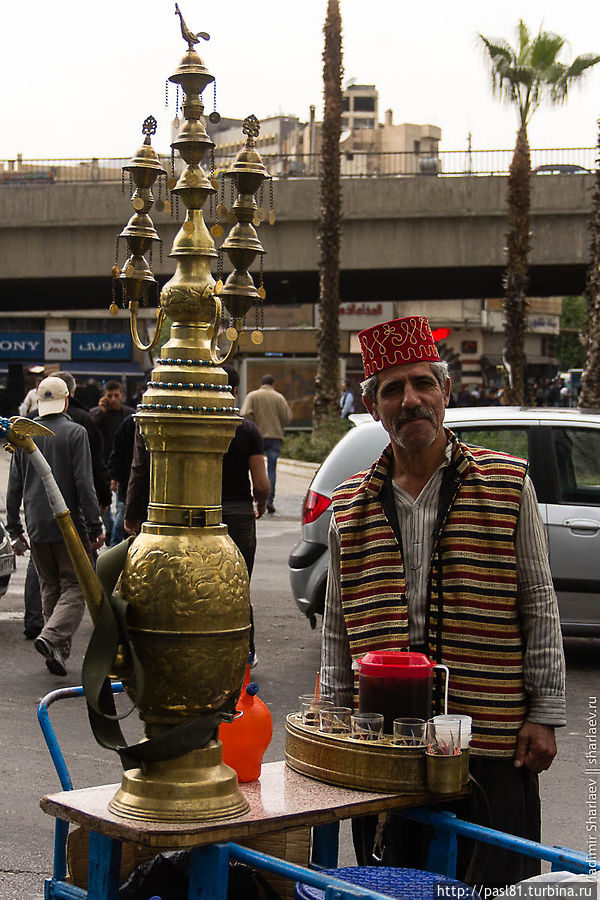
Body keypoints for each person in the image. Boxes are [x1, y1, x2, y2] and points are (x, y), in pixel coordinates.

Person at [320, 315, 566, 888]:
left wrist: (545, 713)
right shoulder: (349, 505)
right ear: (374, 406)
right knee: (396, 883)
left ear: (445, 391)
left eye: (422, 384)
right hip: (386, 745)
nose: (410, 400)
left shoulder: (506, 485)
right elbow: (337, 629)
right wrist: (334, 724)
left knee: (495, 882)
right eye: (392, 389)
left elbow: (539, 601)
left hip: (491, 737)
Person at [123, 365, 270, 659]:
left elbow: (140, 471)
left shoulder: (182, 418)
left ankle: (189, 646)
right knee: (236, 584)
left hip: (192, 514)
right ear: (235, 391)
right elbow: (262, 483)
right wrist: (260, 502)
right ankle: (243, 651)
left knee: (190, 583)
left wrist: (132, 510)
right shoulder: (247, 428)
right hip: (238, 516)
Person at [6, 376, 104, 676]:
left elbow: (14, 485)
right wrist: (94, 523)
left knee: (50, 585)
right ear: (67, 399)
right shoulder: (76, 433)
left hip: (36, 523)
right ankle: (52, 637)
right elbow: (84, 484)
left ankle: (57, 653)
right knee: (76, 587)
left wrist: (14, 527)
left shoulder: (23, 434)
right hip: (67, 524)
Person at [89, 381, 134, 542]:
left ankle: (115, 540)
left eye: (116, 395)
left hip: (123, 467)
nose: (113, 399)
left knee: (122, 507)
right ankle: (111, 531)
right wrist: (101, 413)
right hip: (102, 465)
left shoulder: (129, 415)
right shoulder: (97, 414)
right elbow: (90, 431)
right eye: (110, 396)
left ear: (122, 395)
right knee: (104, 506)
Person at [240, 374, 292, 514]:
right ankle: (270, 500)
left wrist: (254, 426)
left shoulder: (252, 396)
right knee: (271, 468)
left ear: (261, 383)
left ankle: (256, 498)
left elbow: (245, 413)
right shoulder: (279, 398)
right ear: (273, 384)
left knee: (255, 468)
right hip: (275, 437)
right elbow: (287, 417)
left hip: (257, 437)